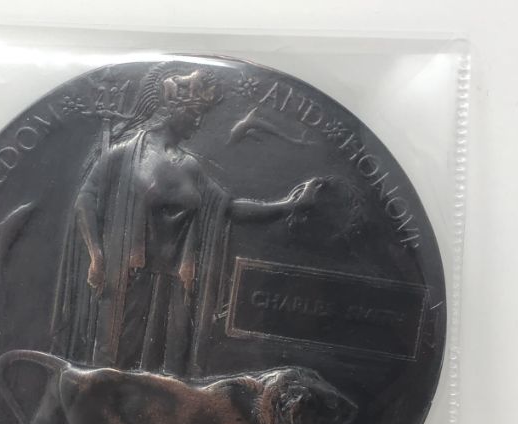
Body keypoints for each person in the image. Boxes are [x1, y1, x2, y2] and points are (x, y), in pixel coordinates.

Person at [50, 64, 321, 376]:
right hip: (130, 282)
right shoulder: (124, 154)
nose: (199, 122)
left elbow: (230, 208)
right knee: (116, 367)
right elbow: (86, 199)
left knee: (166, 375)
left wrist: (288, 206)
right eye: (194, 113)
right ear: (172, 110)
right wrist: (96, 256)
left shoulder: (190, 167)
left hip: (174, 287)